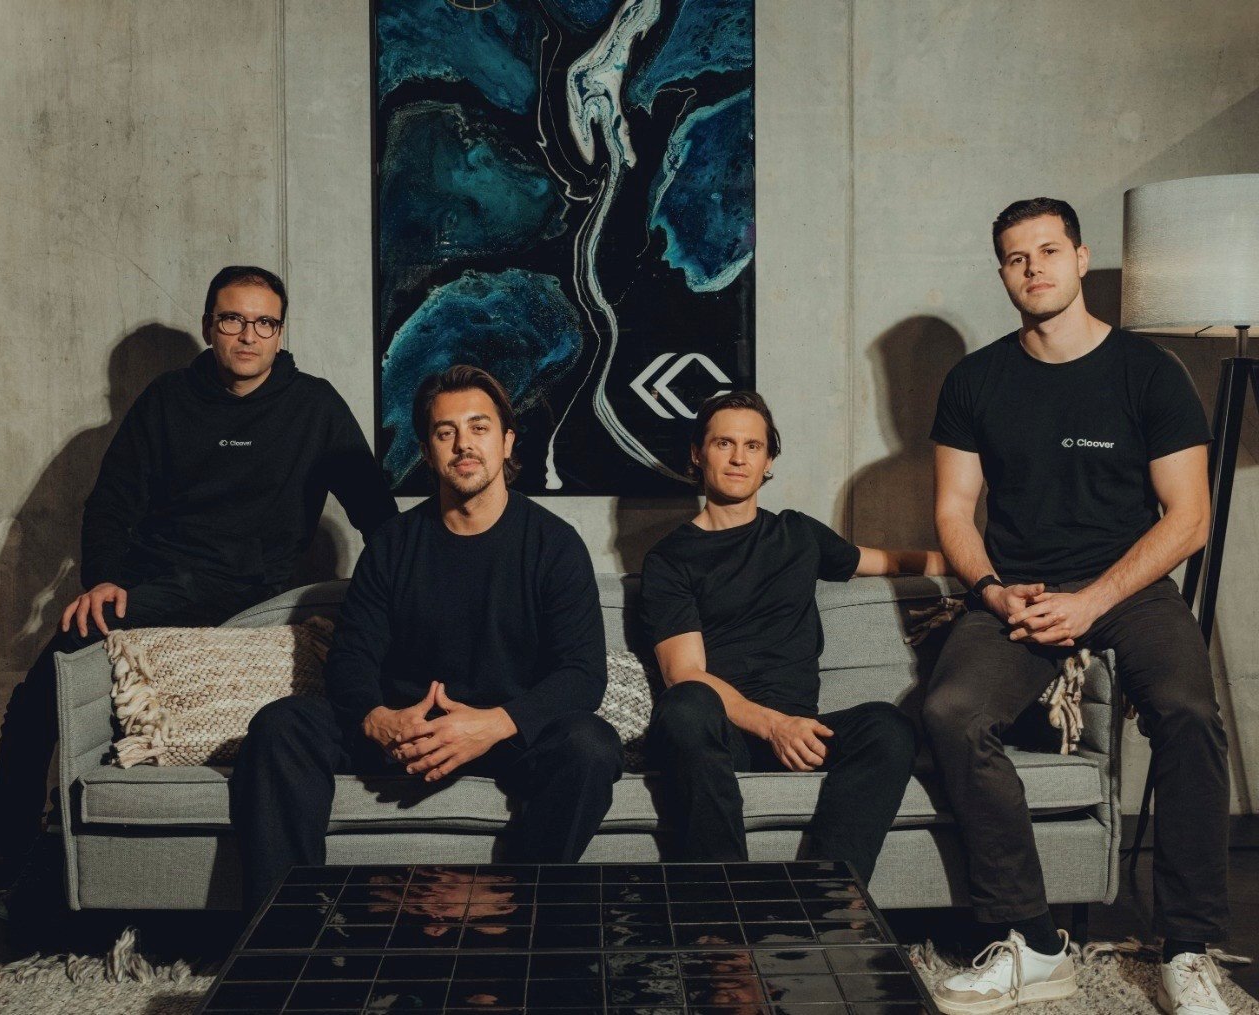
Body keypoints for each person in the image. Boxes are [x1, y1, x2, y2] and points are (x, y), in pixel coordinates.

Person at [0, 265, 397, 883]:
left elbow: (376, 512)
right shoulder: (167, 400)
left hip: (261, 596)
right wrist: (103, 579)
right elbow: (111, 502)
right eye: (233, 320)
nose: (248, 336)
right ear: (209, 326)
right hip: (158, 588)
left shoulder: (314, 406)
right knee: (44, 686)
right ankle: (11, 840)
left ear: (280, 333)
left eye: (265, 323)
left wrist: (401, 593)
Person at [924, 198, 1227, 1015]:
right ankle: (1034, 943)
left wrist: (1093, 600)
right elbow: (953, 510)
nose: (1035, 268)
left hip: (1128, 584)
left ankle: (1188, 947)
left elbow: (1189, 518)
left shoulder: (1149, 372)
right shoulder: (975, 381)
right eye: (1017, 257)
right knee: (951, 712)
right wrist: (992, 589)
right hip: (1019, 590)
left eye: (1049, 250)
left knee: (1191, 713)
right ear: (1002, 272)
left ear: (1081, 258)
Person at [229, 364, 622, 913]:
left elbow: (582, 675)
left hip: (504, 738)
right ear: (427, 451)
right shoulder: (392, 545)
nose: (464, 444)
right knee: (282, 725)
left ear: (508, 441)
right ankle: (285, 936)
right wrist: (377, 718)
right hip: (403, 734)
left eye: (479, 427)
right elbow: (351, 660)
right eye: (445, 432)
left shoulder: (554, 545)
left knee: (590, 745)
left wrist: (493, 724)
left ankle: (514, 914)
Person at [640, 390, 944, 882]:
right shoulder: (671, 559)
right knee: (685, 705)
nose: (739, 458)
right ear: (697, 454)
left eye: (753, 446)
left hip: (803, 736)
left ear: (768, 461)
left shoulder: (797, 534)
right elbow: (685, 673)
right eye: (723, 443)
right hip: (725, 735)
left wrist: (983, 570)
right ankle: (721, 902)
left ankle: (828, 896)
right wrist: (774, 726)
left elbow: (893, 561)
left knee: (888, 727)